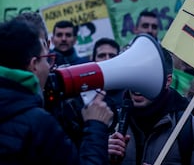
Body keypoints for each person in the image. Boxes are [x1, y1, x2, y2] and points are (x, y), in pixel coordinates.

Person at [0, 18, 114, 165]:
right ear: (34, 64)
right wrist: (95, 126)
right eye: (46, 59)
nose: (49, 67)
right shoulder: (39, 122)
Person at [108, 48, 194, 165]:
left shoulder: (193, 129)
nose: (138, 85)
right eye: (135, 75)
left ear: (167, 81)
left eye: (147, 77)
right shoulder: (110, 122)